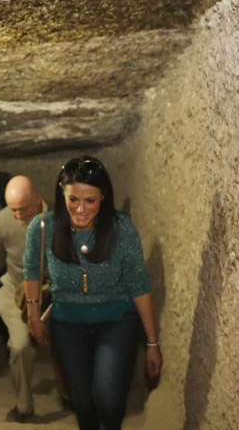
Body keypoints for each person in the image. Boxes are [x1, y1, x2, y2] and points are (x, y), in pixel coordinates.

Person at [23, 156, 163, 430]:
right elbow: (31, 270)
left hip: (117, 321)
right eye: (73, 199)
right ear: (61, 194)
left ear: (103, 197)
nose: (80, 209)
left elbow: (139, 285)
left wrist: (152, 342)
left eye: (90, 201)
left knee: (107, 397)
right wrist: (33, 314)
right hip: (67, 325)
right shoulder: (43, 227)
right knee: (82, 400)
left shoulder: (121, 228)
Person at [0, 175, 45, 422]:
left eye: (23, 209)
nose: (17, 215)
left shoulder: (55, 222)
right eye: (12, 209)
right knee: (20, 347)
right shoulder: (3, 219)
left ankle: (70, 395)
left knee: (65, 347)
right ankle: (24, 407)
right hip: (15, 291)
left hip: (50, 294)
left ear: (37, 199)